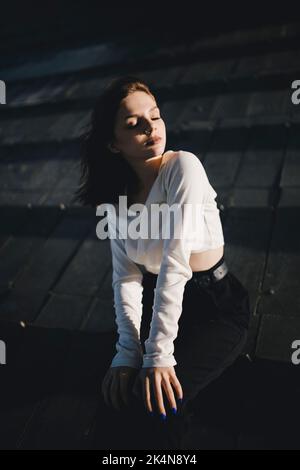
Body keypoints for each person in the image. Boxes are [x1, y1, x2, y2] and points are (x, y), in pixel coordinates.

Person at [74, 75, 251, 450]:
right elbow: (126, 276)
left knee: (157, 406)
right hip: (159, 302)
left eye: (154, 116)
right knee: (113, 393)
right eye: (133, 123)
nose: (150, 127)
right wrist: (127, 351)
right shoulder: (114, 195)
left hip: (214, 306)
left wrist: (157, 354)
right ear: (113, 143)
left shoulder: (183, 168)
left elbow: (175, 263)